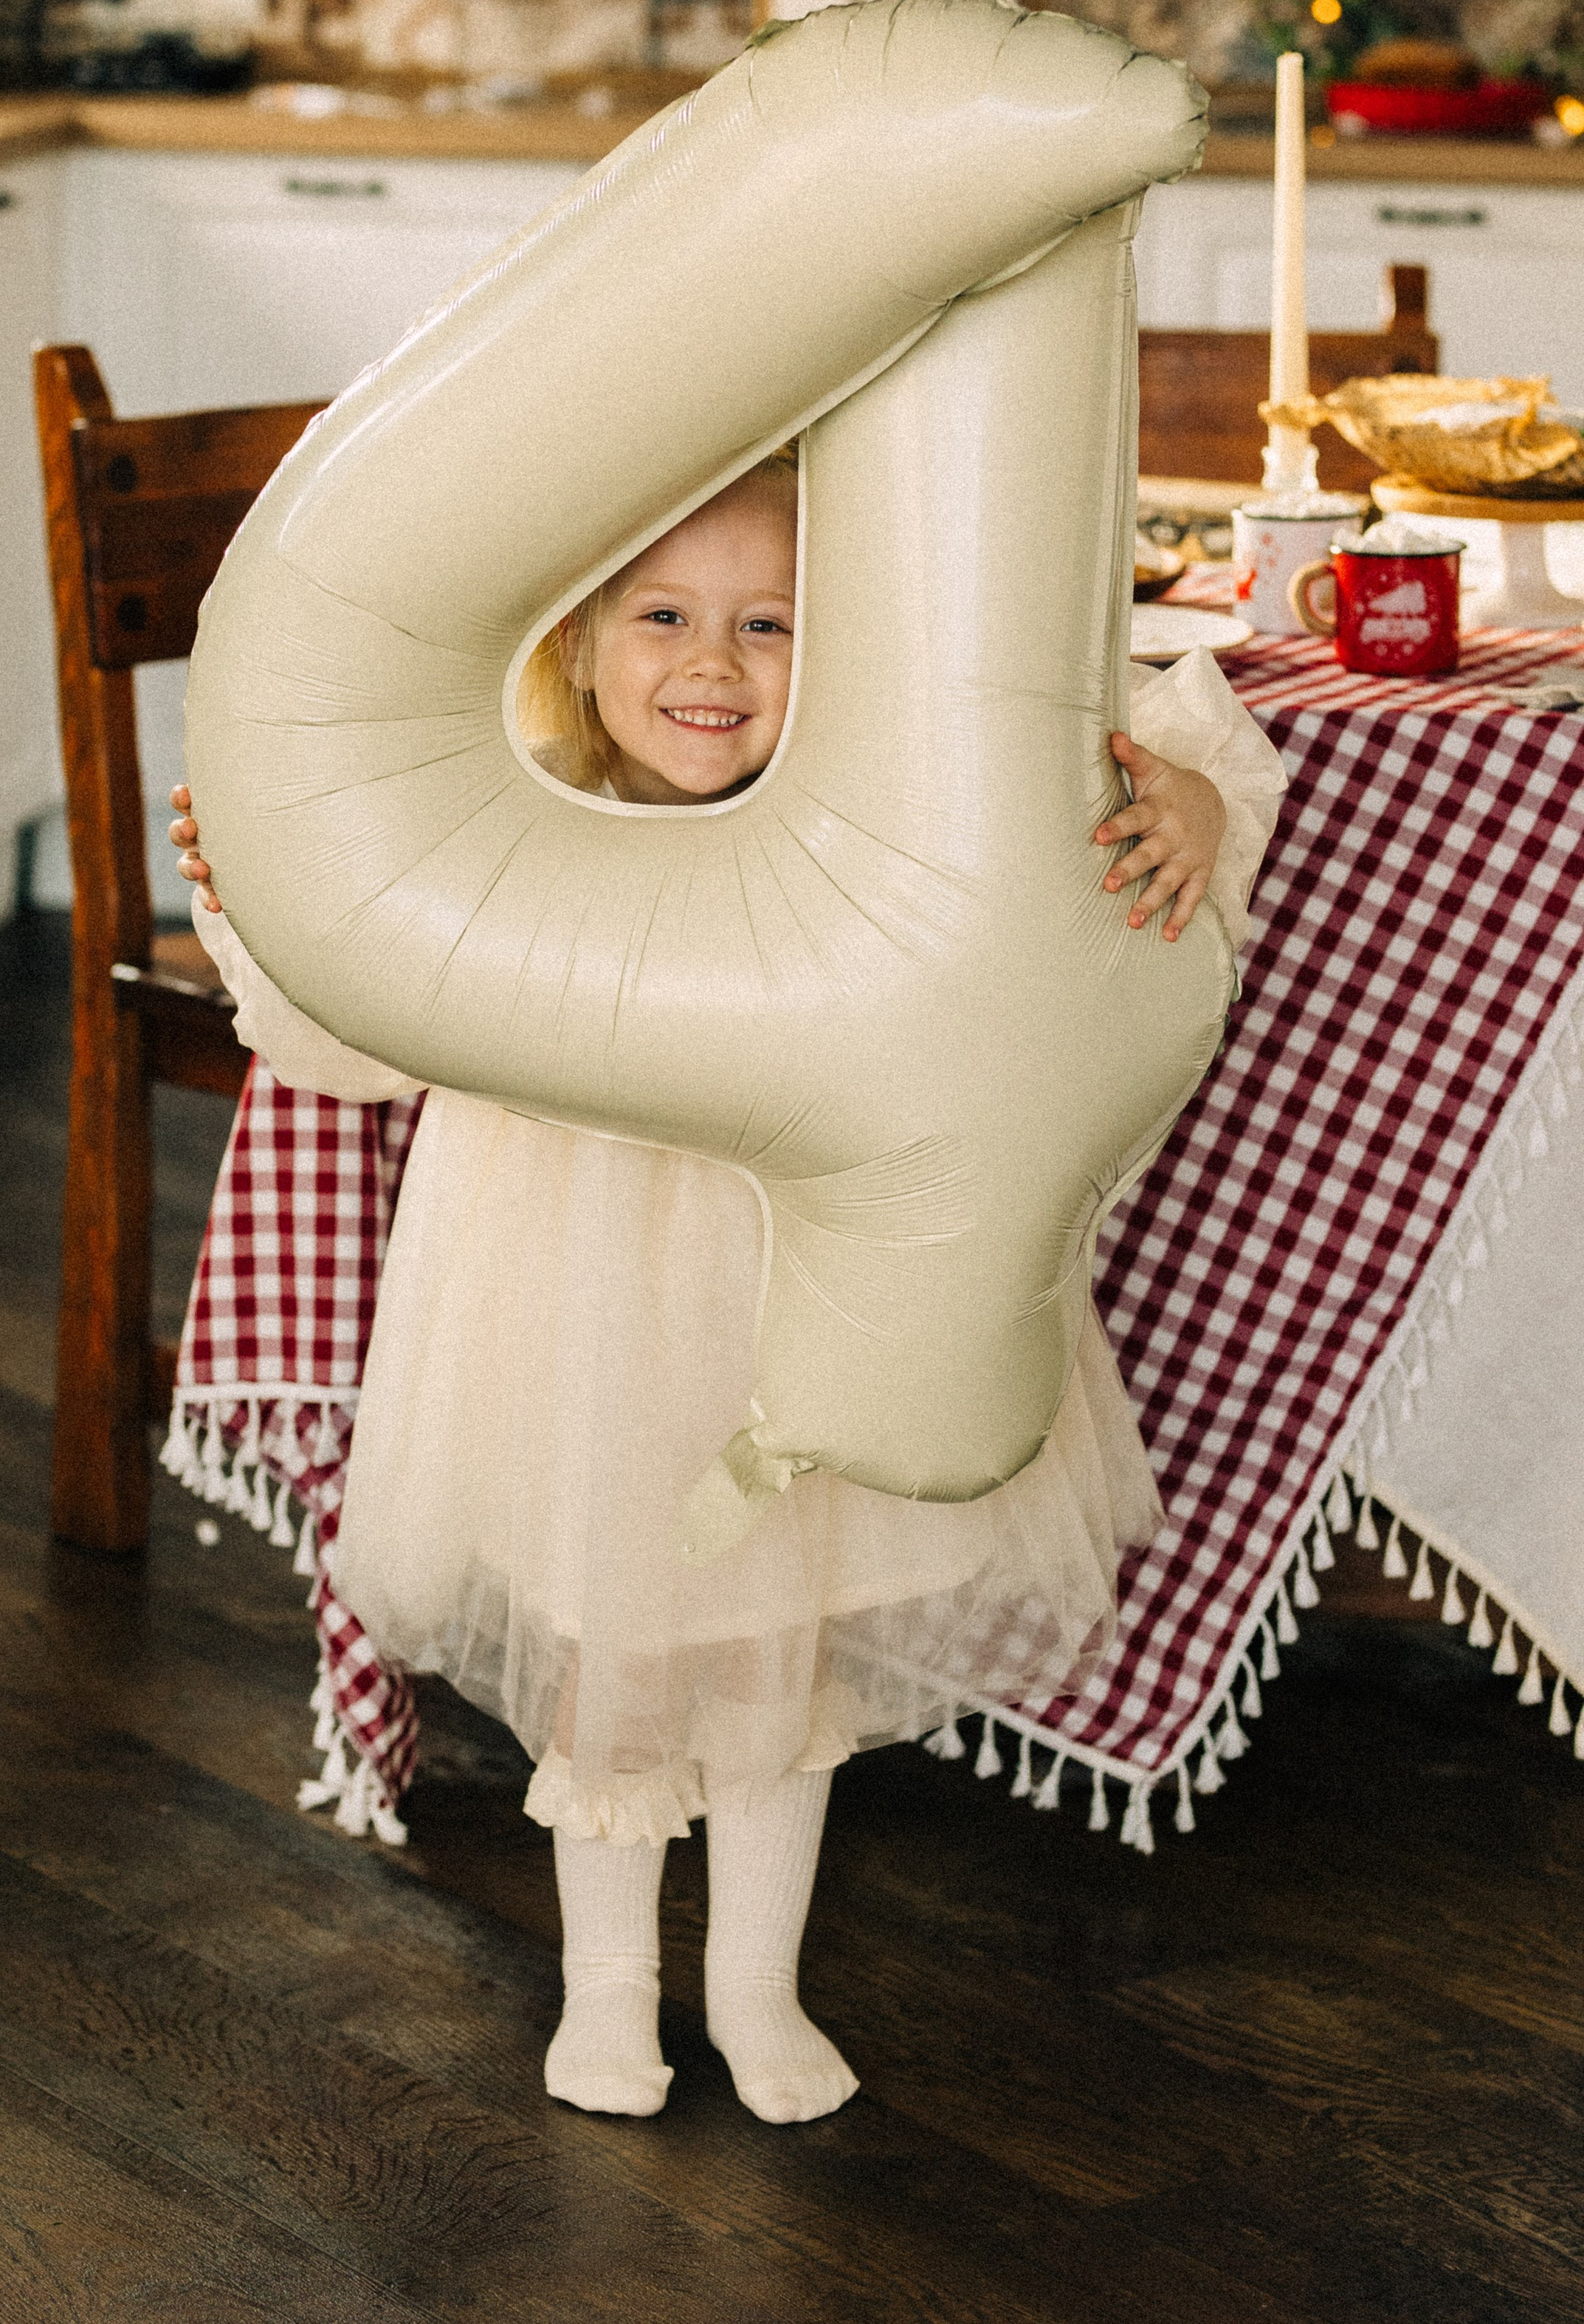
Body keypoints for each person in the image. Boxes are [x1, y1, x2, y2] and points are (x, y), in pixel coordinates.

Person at [170, 453, 1284, 2127]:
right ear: (576, 643)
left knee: (783, 1652)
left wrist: (1184, 804)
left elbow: (1095, 770)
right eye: (664, 617)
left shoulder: (878, 823)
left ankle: (753, 1985)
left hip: (799, 1307)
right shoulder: (502, 821)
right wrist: (268, 886)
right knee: (613, 1656)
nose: (712, 662)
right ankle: (607, 1985)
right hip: (566, 1314)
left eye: (769, 624)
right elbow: (348, 1026)